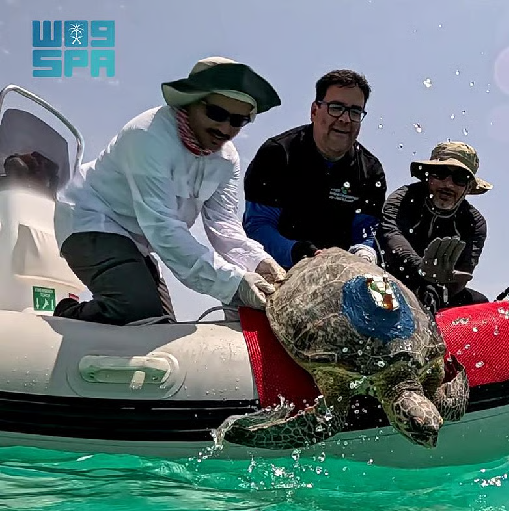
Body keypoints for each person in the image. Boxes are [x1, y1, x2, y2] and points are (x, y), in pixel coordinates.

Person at [52, 56, 287, 326]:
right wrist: (234, 283)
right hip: (91, 220)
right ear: (191, 102)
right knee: (138, 312)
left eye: (238, 120)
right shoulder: (147, 135)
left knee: (161, 325)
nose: (225, 129)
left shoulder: (227, 159)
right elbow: (162, 227)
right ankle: (67, 314)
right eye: (216, 113)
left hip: (139, 240)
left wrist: (259, 262)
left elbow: (224, 226)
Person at [242, 69, 386, 270]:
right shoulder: (277, 153)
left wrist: (364, 253)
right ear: (314, 111)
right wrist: (299, 253)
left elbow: (365, 232)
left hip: (339, 272)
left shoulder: (371, 170)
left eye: (355, 112)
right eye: (336, 108)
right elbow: (257, 225)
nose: (345, 119)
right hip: (275, 268)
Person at [377, 141, 492, 312]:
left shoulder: (474, 223)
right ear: (428, 176)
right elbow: (390, 236)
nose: (448, 184)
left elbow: (464, 272)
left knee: (480, 304)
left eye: (460, 178)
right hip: (391, 279)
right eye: (441, 173)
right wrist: (421, 268)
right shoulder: (402, 199)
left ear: (468, 188)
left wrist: (438, 292)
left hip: (440, 290)